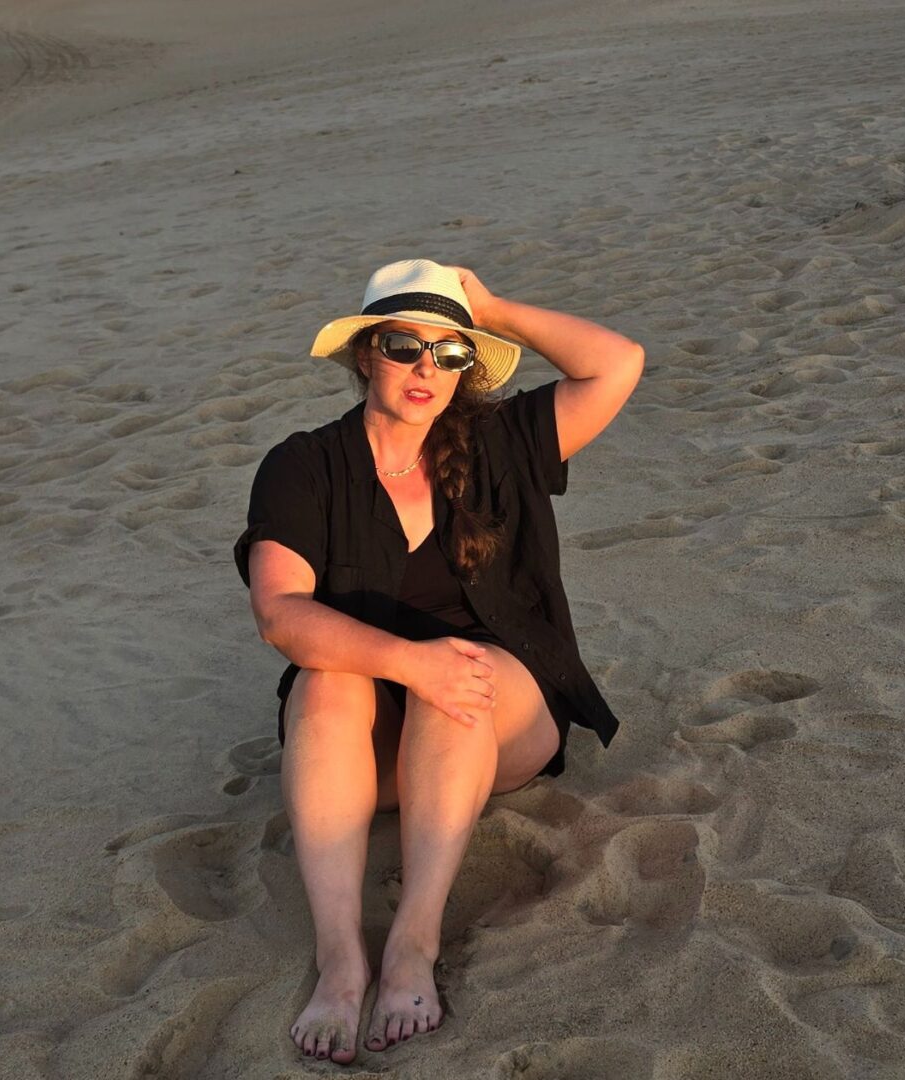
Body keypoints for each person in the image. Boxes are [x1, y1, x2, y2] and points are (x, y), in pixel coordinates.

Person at [232, 258, 643, 1063]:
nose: (427, 368)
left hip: (499, 710)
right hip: (368, 738)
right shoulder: (303, 465)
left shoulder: (502, 443)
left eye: (449, 352)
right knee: (324, 683)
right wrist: (408, 662)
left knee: (458, 680)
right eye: (404, 346)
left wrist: (488, 309)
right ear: (364, 355)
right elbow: (280, 613)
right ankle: (342, 958)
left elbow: (617, 362)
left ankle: (413, 944)